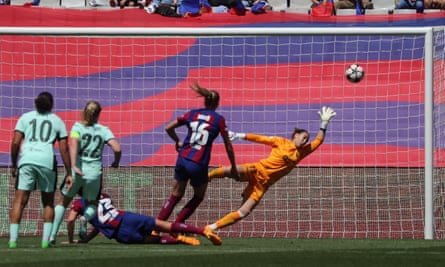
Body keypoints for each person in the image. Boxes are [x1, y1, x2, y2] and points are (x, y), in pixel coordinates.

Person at [206, 106, 336, 232]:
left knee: (244, 212)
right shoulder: (281, 142)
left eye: (307, 139)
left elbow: (319, 140)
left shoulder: (302, 152)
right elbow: (260, 139)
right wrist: (240, 135)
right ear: (295, 135)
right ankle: (206, 177)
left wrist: (324, 123)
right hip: (256, 170)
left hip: (263, 184)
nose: (305, 141)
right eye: (304, 137)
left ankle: (212, 228)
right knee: (230, 171)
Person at [156, 82, 239, 226]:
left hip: (183, 158)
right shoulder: (219, 120)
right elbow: (228, 145)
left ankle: (156, 227)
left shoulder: (192, 113)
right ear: (217, 103)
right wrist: (233, 166)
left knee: (175, 195)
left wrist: (178, 141)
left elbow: (168, 128)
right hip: (198, 163)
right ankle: (177, 225)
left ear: (204, 101)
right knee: (198, 196)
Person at [50, 100, 122, 245]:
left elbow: (74, 145)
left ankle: (52, 236)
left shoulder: (77, 127)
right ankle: (84, 219)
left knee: (62, 202)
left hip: (78, 172)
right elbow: (117, 148)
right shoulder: (104, 130)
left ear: (84, 111)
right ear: (99, 113)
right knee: (93, 203)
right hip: (94, 174)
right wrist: (116, 162)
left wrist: (75, 165)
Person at [9, 92, 73, 249]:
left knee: (20, 201)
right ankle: (45, 241)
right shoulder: (57, 121)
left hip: (27, 160)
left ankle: (12, 240)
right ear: (51, 104)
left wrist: (14, 163)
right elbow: (64, 149)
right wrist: (69, 172)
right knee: (48, 202)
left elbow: (15, 142)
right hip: (46, 161)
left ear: (35, 103)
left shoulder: (25, 117)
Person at [62, 194, 221, 246]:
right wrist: (86, 240)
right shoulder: (104, 195)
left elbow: (70, 221)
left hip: (120, 232)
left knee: (156, 240)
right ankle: (202, 230)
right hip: (127, 217)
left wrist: (72, 241)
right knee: (166, 225)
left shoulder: (79, 203)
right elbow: (100, 224)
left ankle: (182, 240)